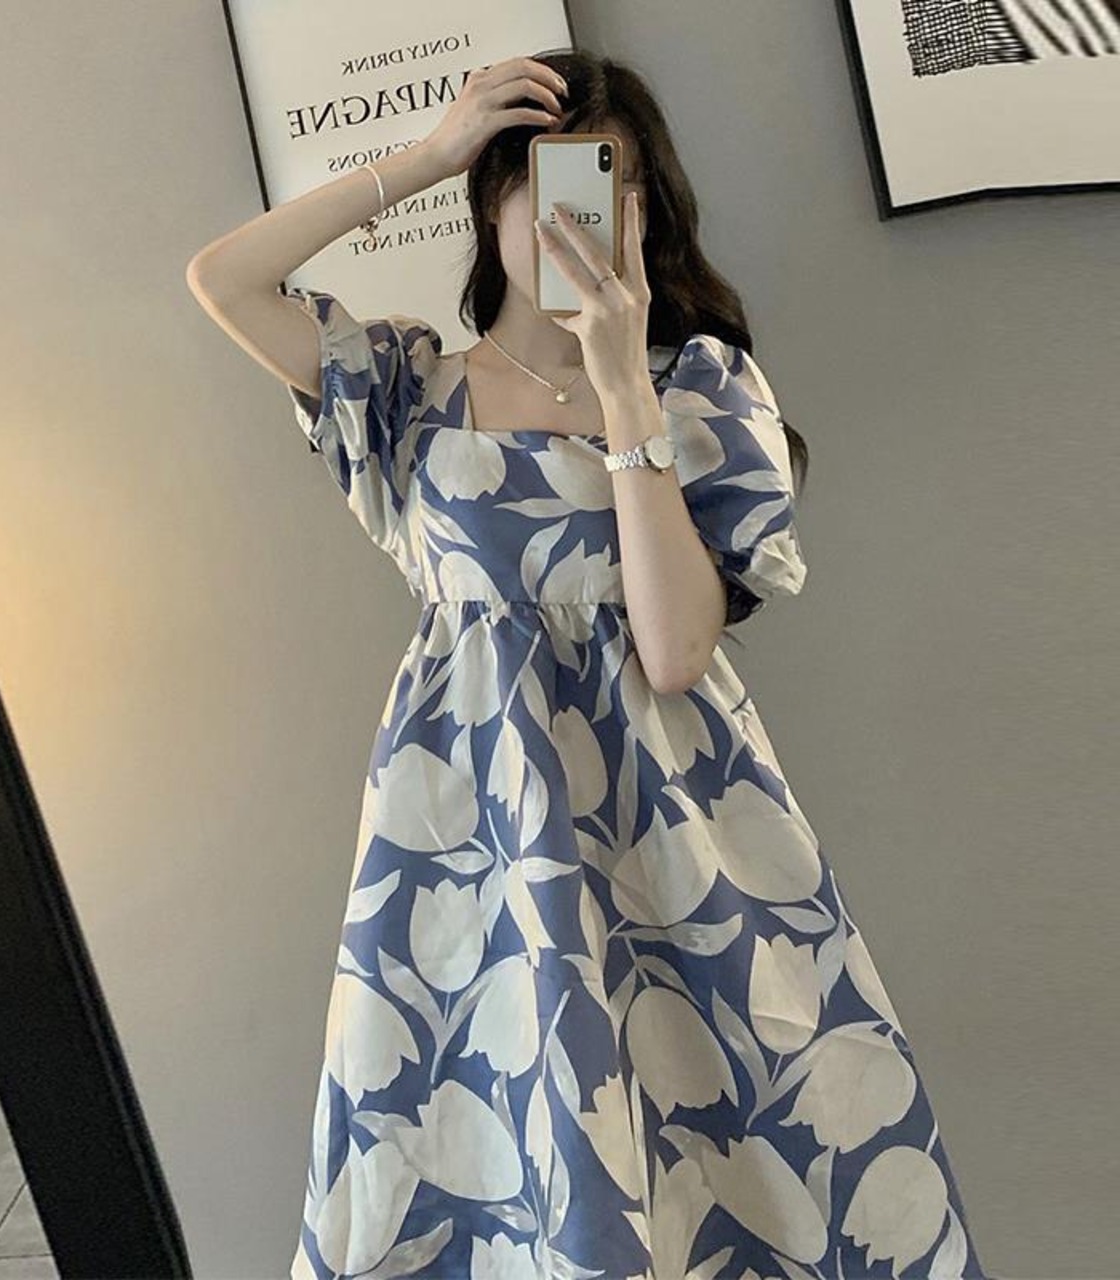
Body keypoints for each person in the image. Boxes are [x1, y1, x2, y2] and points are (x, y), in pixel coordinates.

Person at [187, 47, 987, 1280]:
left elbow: (672, 649)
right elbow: (224, 278)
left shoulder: (699, 390)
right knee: (501, 1148)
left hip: (674, 839)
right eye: (556, 185)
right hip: (468, 845)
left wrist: (621, 390)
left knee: (734, 1153)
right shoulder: (408, 392)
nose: (587, 221)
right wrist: (425, 154)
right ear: (493, 196)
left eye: (620, 193)